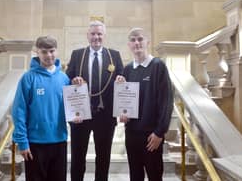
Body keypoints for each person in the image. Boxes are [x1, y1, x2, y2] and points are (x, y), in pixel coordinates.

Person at [66, 20, 124, 181]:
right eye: (93, 33)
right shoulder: (77, 54)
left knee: (103, 158)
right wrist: (73, 80)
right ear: (87, 35)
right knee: (78, 157)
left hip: (105, 115)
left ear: (104, 36)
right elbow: (67, 77)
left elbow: (122, 79)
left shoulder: (115, 55)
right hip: (81, 115)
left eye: (99, 34)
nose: (96, 37)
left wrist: (121, 80)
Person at [117, 27, 173, 181]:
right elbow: (126, 102)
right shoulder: (127, 69)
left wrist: (160, 132)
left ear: (147, 42)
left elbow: (166, 101)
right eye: (133, 40)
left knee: (155, 176)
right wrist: (123, 114)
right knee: (135, 176)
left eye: (140, 39)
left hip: (152, 135)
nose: (137, 43)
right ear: (129, 45)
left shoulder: (158, 66)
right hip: (132, 133)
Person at [12, 36, 70, 181]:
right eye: (44, 52)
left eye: (52, 51)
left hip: (59, 141)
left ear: (56, 51)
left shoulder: (64, 79)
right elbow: (19, 111)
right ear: (37, 52)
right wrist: (22, 142)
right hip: (35, 144)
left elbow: (72, 108)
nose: (49, 55)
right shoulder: (28, 78)